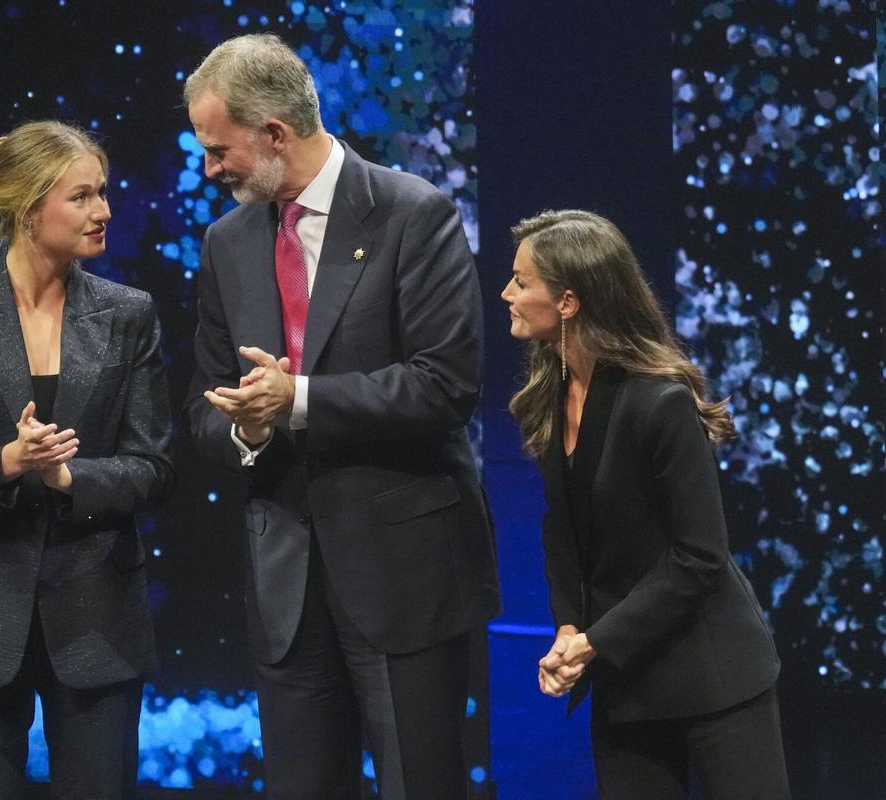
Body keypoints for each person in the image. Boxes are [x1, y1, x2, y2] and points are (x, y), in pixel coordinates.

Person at [183, 33, 499, 799]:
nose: (210, 167)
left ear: (274, 135)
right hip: (287, 576)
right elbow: (203, 407)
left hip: (402, 570)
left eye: (219, 148)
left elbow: (444, 385)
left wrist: (298, 400)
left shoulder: (411, 215)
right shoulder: (228, 243)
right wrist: (248, 428)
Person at [0, 120, 174, 799]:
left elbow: (154, 467)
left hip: (96, 611)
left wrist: (70, 475)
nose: (103, 211)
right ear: (27, 211)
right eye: (81, 197)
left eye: (102, 193)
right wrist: (9, 461)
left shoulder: (128, 314)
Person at [502, 209, 790, 798]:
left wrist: (595, 641)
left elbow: (699, 558)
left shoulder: (658, 403)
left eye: (522, 281)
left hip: (712, 676)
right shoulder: (553, 394)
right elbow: (564, 530)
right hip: (626, 679)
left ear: (568, 302)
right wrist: (568, 628)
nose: (507, 293)